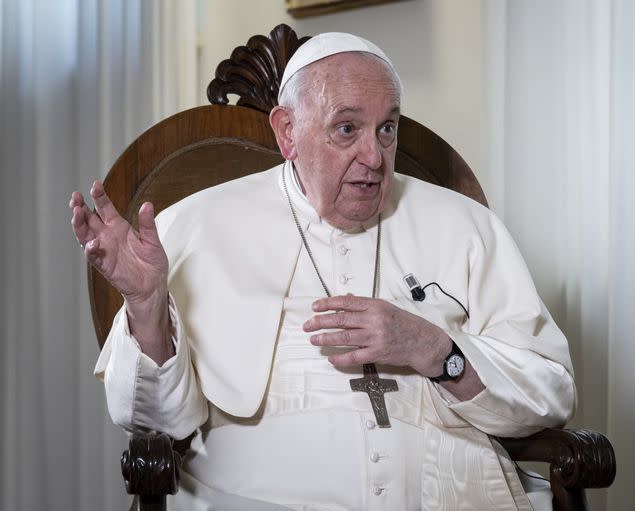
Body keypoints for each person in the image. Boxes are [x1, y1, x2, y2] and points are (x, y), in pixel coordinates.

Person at [70, 32, 575, 511]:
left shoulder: (466, 226)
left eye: (387, 128)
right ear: (288, 132)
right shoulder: (195, 224)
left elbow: (550, 393)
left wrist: (433, 348)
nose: (375, 157)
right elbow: (154, 421)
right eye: (347, 129)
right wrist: (146, 307)